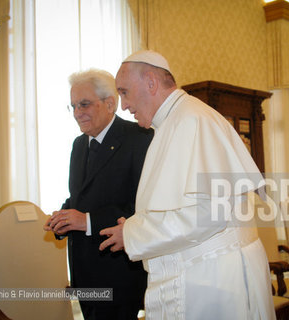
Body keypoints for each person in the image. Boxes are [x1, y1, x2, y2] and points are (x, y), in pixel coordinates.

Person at [99, 51, 275, 319]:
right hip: (205, 273)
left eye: (125, 92)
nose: (123, 105)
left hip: (212, 278)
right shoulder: (176, 121)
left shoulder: (192, 120)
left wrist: (133, 234)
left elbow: (207, 214)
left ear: (150, 82)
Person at [44, 68, 153, 320]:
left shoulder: (139, 138)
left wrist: (88, 220)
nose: (77, 113)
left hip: (120, 272)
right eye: (72, 106)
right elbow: (79, 197)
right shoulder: (79, 144)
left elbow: (144, 206)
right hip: (84, 270)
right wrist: (63, 217)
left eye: (84, 104)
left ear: (110, 103)